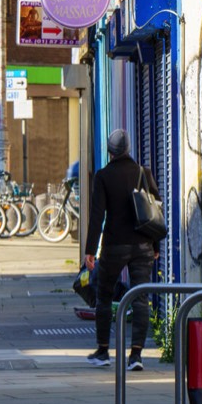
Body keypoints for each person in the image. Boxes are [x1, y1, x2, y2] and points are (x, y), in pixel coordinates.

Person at [83, 129, 160, 370]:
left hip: (114, 245)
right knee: (140, 298)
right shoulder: (142, 173)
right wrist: (155, 245)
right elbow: (155, 211)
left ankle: (103, 351)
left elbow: (97, 216)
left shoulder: (104, 176)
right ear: (128, 150)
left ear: (110, 151)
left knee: (104, 296)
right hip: (142, 246)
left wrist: (90, 250)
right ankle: (136, 356)